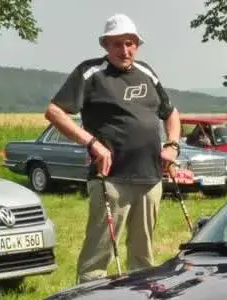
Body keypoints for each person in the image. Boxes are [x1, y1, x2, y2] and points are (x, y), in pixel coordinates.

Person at [45, 13, 181, 282]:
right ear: (106, 45)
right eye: (117, 44)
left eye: (130, 43)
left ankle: (140, 299)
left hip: (150, 178)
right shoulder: (91, 73)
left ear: (137, 45)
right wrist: (92, 143)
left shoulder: (147, 73)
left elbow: (171, 113)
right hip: (111, 179)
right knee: (98, 256)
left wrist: (173, 145)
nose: (124, 50)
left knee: (143, 257)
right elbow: (54, 111)